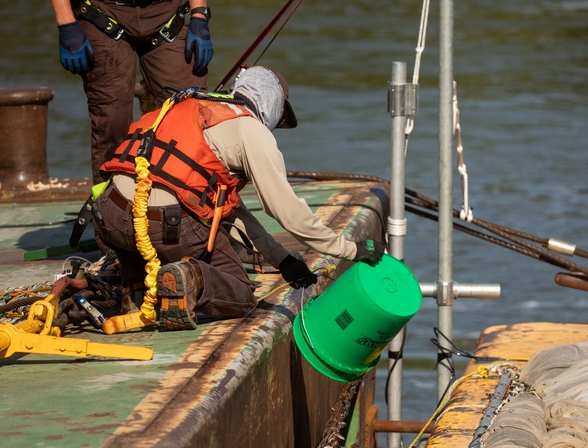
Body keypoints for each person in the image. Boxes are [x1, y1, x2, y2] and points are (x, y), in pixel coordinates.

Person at [92, 66, 386, 330]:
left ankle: (135, 287)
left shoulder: (194, 108)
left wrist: (282, 260)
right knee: (241, 294)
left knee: (161, 226)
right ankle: (189, 277)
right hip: (163, 226)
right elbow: (286, 212)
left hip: (110, 216)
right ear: (272, 105)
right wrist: (348, 249)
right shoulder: (252, 130)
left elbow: (229, 210)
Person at [50, 0, 214, 182]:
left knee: (190, 113)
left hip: (166, 14)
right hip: (103, 12)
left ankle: (196, 198)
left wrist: (199, 14)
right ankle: (109, 202)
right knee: (112, 121)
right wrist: (67, 23)